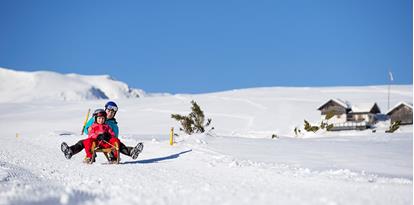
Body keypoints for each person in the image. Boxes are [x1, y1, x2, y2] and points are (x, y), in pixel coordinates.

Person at [61, 101, 143, 162]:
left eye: (112, 112)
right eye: (108, 111)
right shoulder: (96, 117)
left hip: (107, 143)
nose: (110, 113)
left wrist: (110, 137)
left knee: (118, 143)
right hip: (95, 141)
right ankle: (70, 151)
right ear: (105, 110)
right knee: (82, 142)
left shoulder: (113, 125)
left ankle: (131, 152)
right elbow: (88, 129)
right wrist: (93, 133)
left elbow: (114, 137)